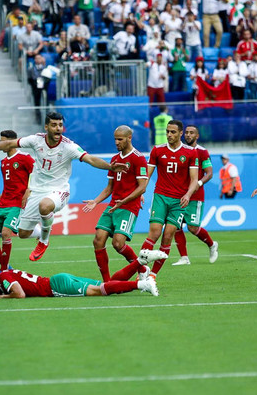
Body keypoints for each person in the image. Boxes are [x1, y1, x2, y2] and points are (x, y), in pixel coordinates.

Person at [0, 111, 128, 262]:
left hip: (59, 190)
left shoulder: (69, 146)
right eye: (54, 125)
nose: (58, 128)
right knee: (23, 233)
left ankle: (44, 241)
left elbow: (91, 159)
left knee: (45, 206)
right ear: (46, 127)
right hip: (38, 190)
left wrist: (110, 167)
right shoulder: (36, 140)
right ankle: (41, 233)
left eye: (60, 125)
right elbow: (9, 142)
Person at [82, 125, 149, 282]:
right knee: (98, 240)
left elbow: (143, 187)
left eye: (120, 139)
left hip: (128, 207)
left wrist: (124, 201)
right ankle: (107, 282)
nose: (117, 142)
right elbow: (109, 188)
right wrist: (96, 201)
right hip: (114, 205)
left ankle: (142, 268)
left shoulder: (138, 158)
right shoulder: (114, 160)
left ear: (129, 138)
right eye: (115, 139)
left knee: (118, 243)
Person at [140, 120, 199, 282]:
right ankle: (141, 270)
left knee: (168, 236)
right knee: (155, 232)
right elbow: (147, 174)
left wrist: (188, 194)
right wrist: (140, 192)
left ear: (181, 133)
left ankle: (153, 275)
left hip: (178, 202)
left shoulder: (190, 153)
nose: (169, 135)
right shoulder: (157, 150)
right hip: (160, 197)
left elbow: (194, 179)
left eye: (173, 132)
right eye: (167, 131)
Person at [0, 250, 168, 299]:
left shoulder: (1, 279)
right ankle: (140, 261)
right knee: (107, 284)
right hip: (57, 279)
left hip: (56, 287)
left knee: (99, 290)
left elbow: (19, 294)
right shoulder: (4, 274)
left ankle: (142, 284)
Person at [0, 130, 34, 272]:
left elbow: (36, 175)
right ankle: (6, 267)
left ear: (11, 142)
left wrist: (28, 191)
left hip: (16, 205)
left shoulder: (25, 158)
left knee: (6, 233)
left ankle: (4, 270)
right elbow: (8, 187)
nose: (0, 144)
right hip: (3, 204)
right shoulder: (4, 162)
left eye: (3, 141)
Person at [172, 125, 219, 266]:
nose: (188, 135)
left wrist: (198, 183)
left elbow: (209, 173)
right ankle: (184, 258)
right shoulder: (179, 151)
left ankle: (212, 245)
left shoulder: (202, 152)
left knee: (193, 228)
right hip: (179, 194)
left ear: (197, 136)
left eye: (191, 133)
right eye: (186, 132)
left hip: (195, 196)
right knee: (176, 226)